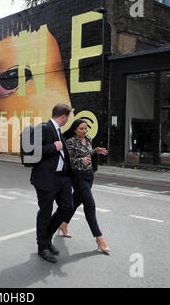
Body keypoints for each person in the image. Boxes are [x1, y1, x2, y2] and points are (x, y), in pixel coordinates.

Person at [59, 119, 111, 254]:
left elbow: (87, 153)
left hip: (89, 176)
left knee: (75, 202)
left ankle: (63, 224)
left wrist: (95, 151)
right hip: (78, 177)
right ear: (75, 129)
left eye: (86, 128)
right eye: (81, 129)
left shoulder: (88, 138)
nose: (84, 131)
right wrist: (80, 160)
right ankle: (99, 238)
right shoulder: (70, 142)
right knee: (90, 205)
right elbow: (68, 160)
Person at [31, 103, 74, 263]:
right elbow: (31, 149)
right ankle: (42, 247)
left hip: (61, 179)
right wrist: (52, 147)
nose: (67, 120)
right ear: (63, 116)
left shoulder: (57, 130)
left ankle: (47, 237)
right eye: (67, 117)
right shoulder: (44, 128)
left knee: (67, 207)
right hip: (46, 179)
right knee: (45, 213)